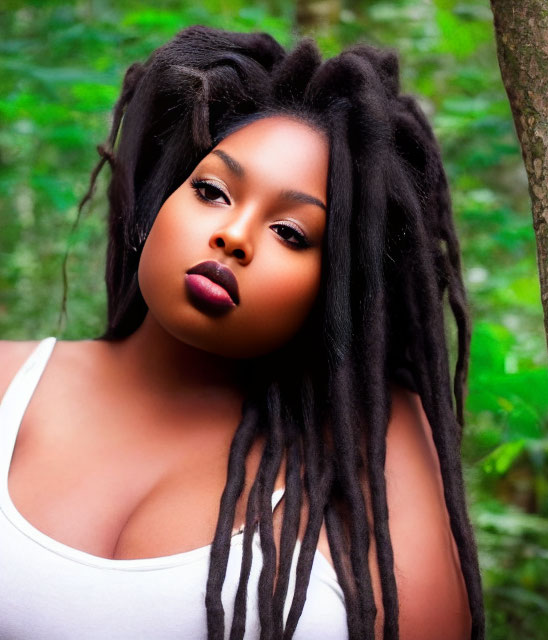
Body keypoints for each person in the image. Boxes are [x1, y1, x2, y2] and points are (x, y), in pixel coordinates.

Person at [0, 26, 482, 640]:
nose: (234, 236)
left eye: (290, 233)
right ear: (158, 200)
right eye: (211, 191)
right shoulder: (8, 384)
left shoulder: (368, 449)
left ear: (335, 288)